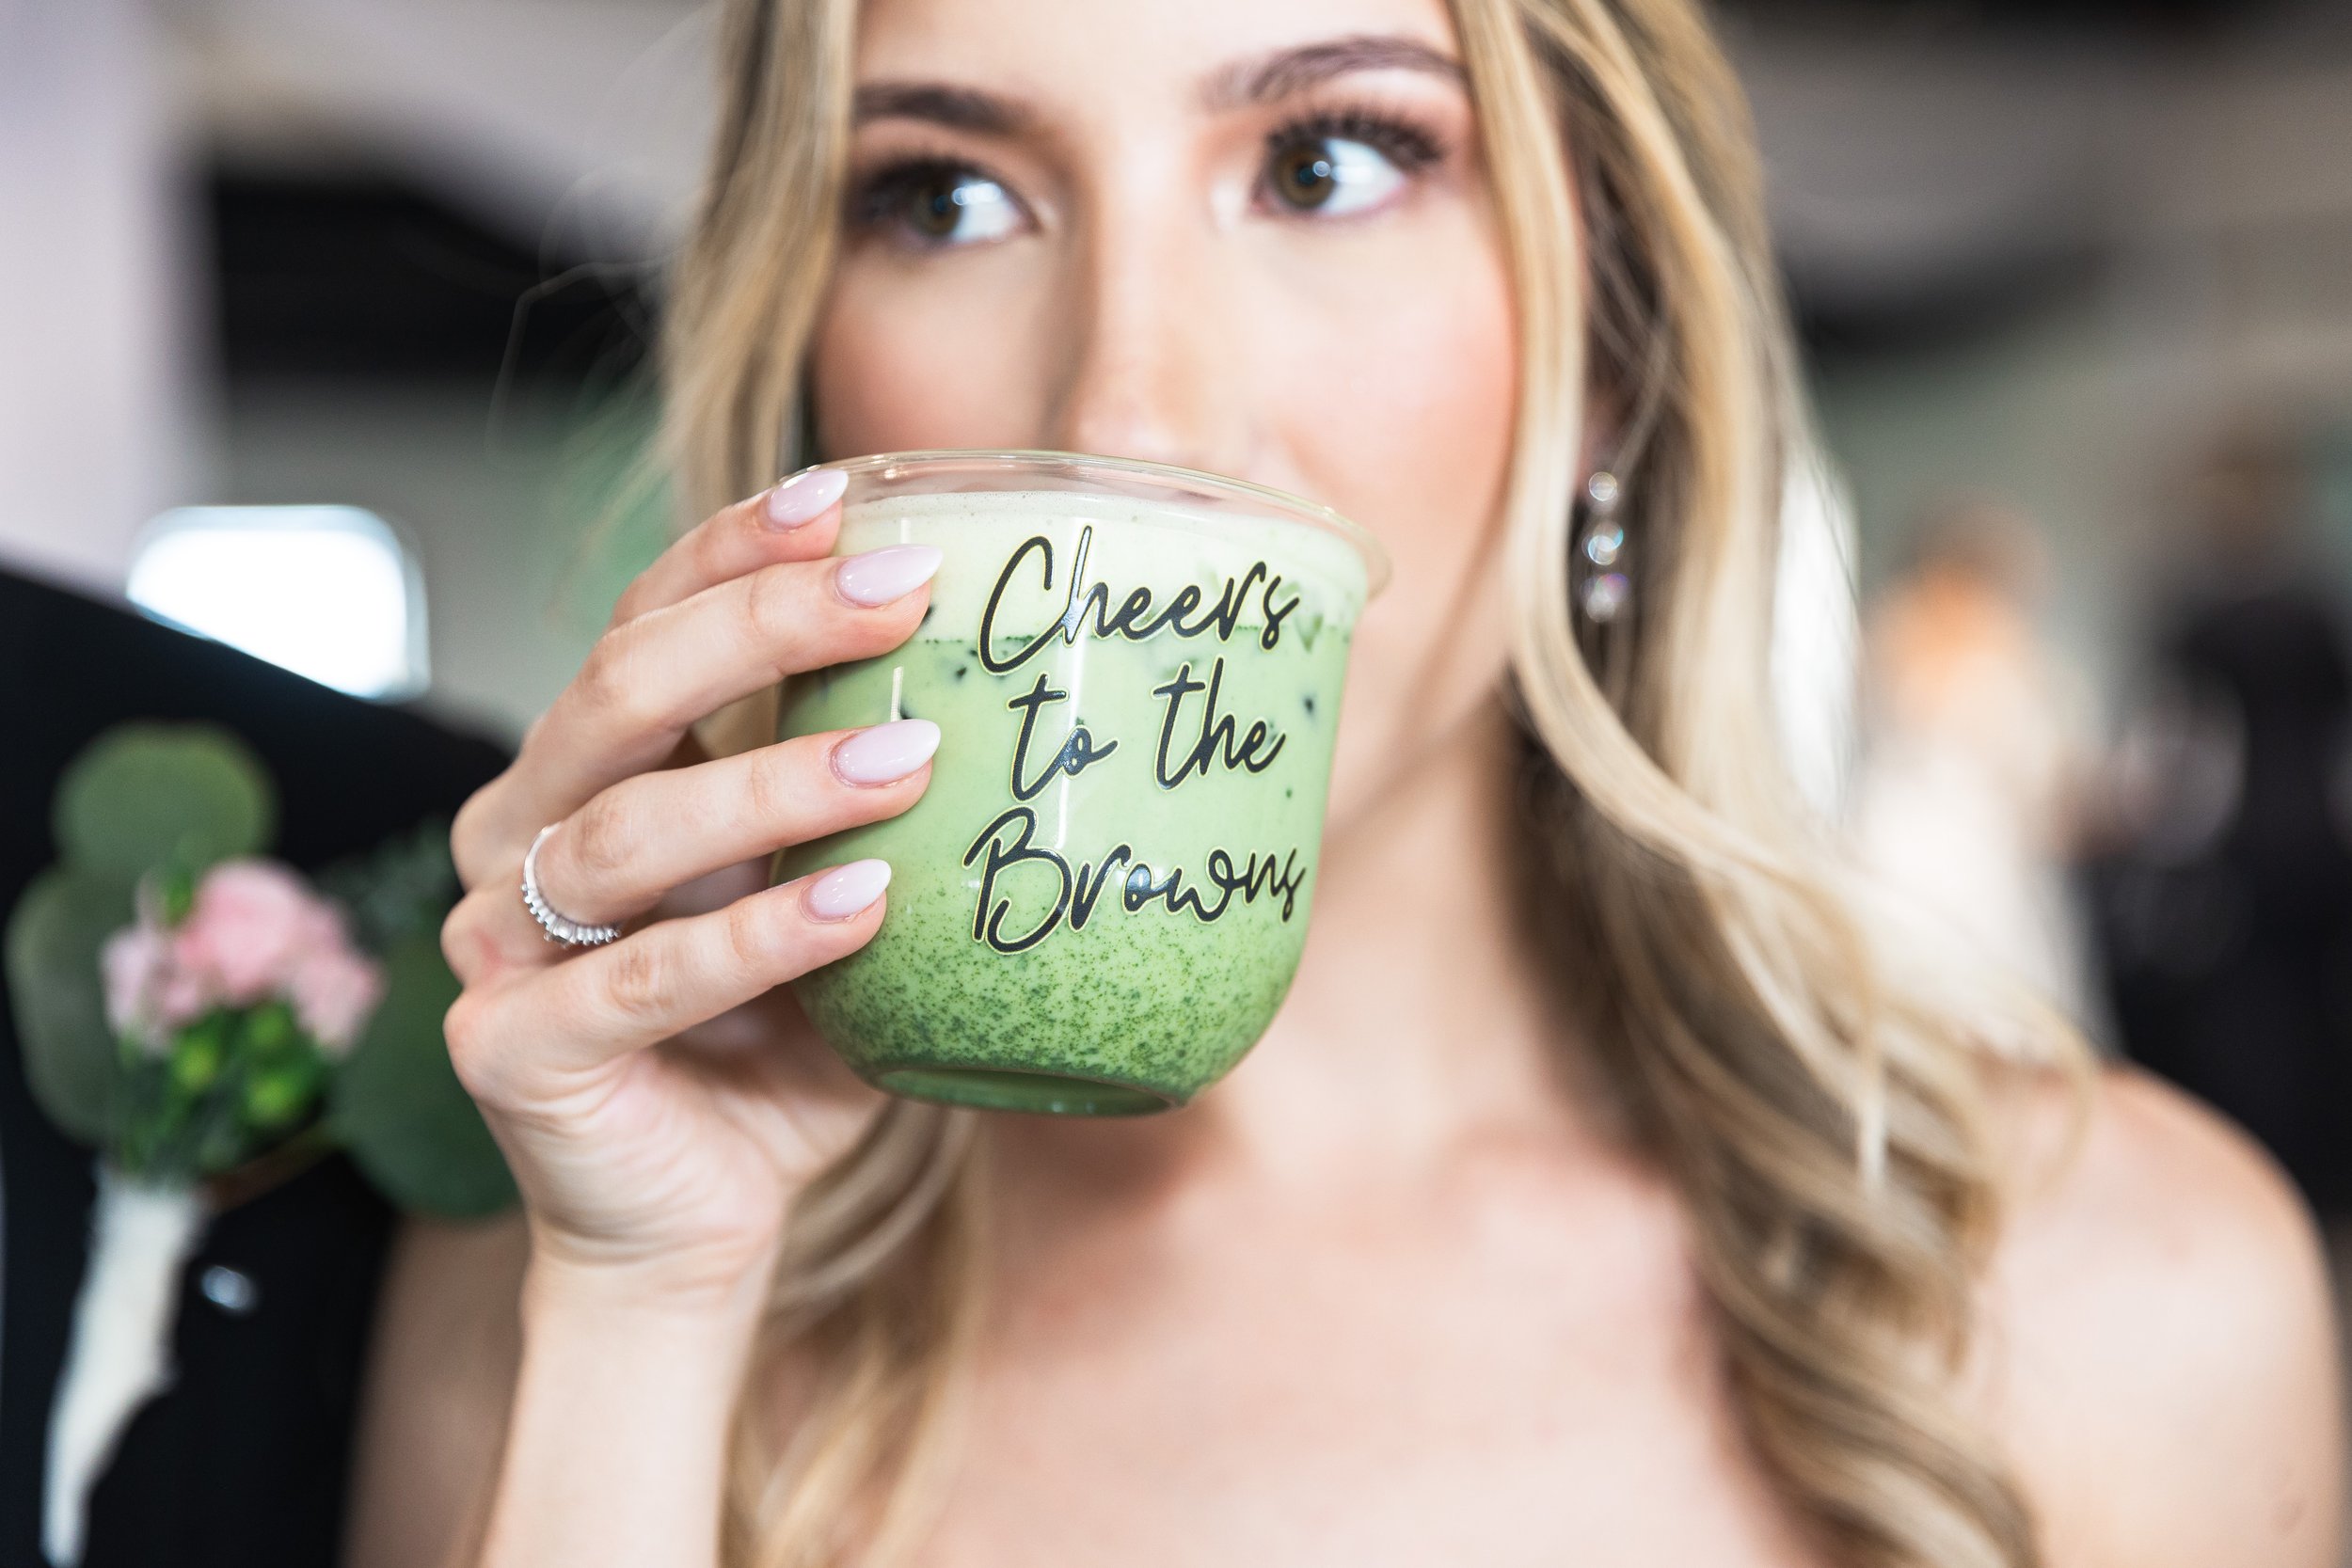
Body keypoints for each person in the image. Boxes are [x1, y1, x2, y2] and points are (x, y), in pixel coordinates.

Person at [351, 2, 2344, 1564]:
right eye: (944, 197)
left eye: (1324, 160)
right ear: (810, 370)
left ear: (1611, 356)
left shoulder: (2127, 1303)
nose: (1129, 406)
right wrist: (639, 1320)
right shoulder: (568, 1298)